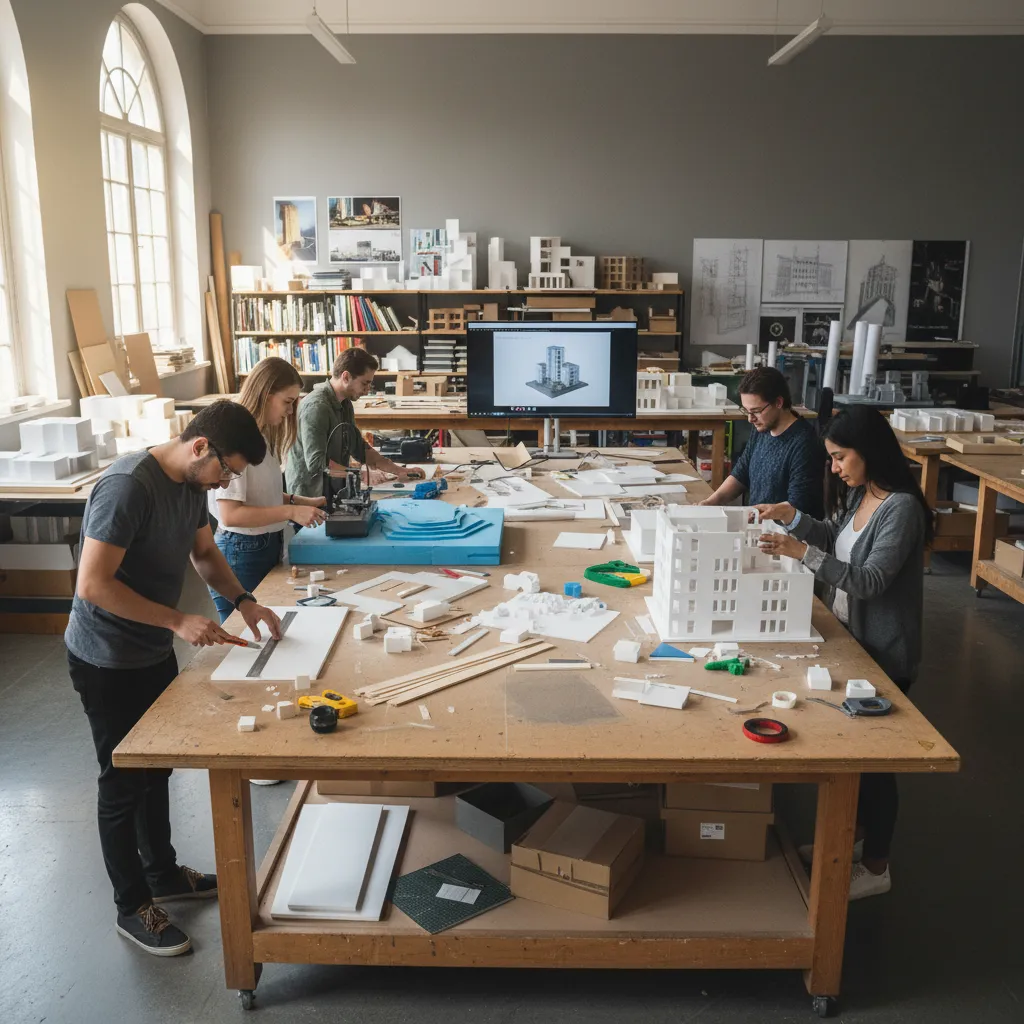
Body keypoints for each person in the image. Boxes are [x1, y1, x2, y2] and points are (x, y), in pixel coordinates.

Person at [66, 400, 282, 957]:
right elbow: (93, 584)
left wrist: (245, 600)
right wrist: (178, 620)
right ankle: (131, 906)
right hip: (105, 657)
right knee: (120, 782)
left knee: (156, 767)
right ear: (200, 446)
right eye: (225, 471)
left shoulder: (190, 487)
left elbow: (205, 553)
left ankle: (161, 873)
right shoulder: (126, 489)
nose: (226, 482)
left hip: (150, 647)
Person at [754, 405, 933, 901]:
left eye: (839, 457)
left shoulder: (901, 508)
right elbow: (839, 539)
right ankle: (849, 840)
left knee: (875, 768)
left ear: (868, 451)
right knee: (856, 762)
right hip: (855, 641)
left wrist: (800, 553)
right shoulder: (862, 492)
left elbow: (871, 580)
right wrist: (795, 519)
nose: (833, 467)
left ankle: (876, 867)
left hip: (886, 654)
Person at [208, 358, 327, 624]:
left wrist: (299, 500)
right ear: (265, 394)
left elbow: (258, 495)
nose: (290, 411)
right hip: (242, 550)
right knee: (246, 635)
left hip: (264, 544)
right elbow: (231, 514)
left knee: (268, 629)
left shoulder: (262, 436)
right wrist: (291, 511)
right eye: (287, 402)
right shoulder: (237, 441)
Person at [285, 347, 424, 498]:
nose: (367, 389)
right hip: (308, 496)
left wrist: (399, 471)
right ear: (346, 377)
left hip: (331, 490)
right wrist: (361, 474)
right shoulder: (317, 407)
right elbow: (317, 464)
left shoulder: (345, 403)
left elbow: (359, 447)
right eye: (365, 383)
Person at [699, 367, 824, 518]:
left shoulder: (804, 444)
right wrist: (710, 502)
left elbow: (797, 507)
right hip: (759, 526)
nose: (750, 419)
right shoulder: (762, 429)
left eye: (756, 411)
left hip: (785, 535)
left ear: (778, 402)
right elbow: (741, 473)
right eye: (746, 411)